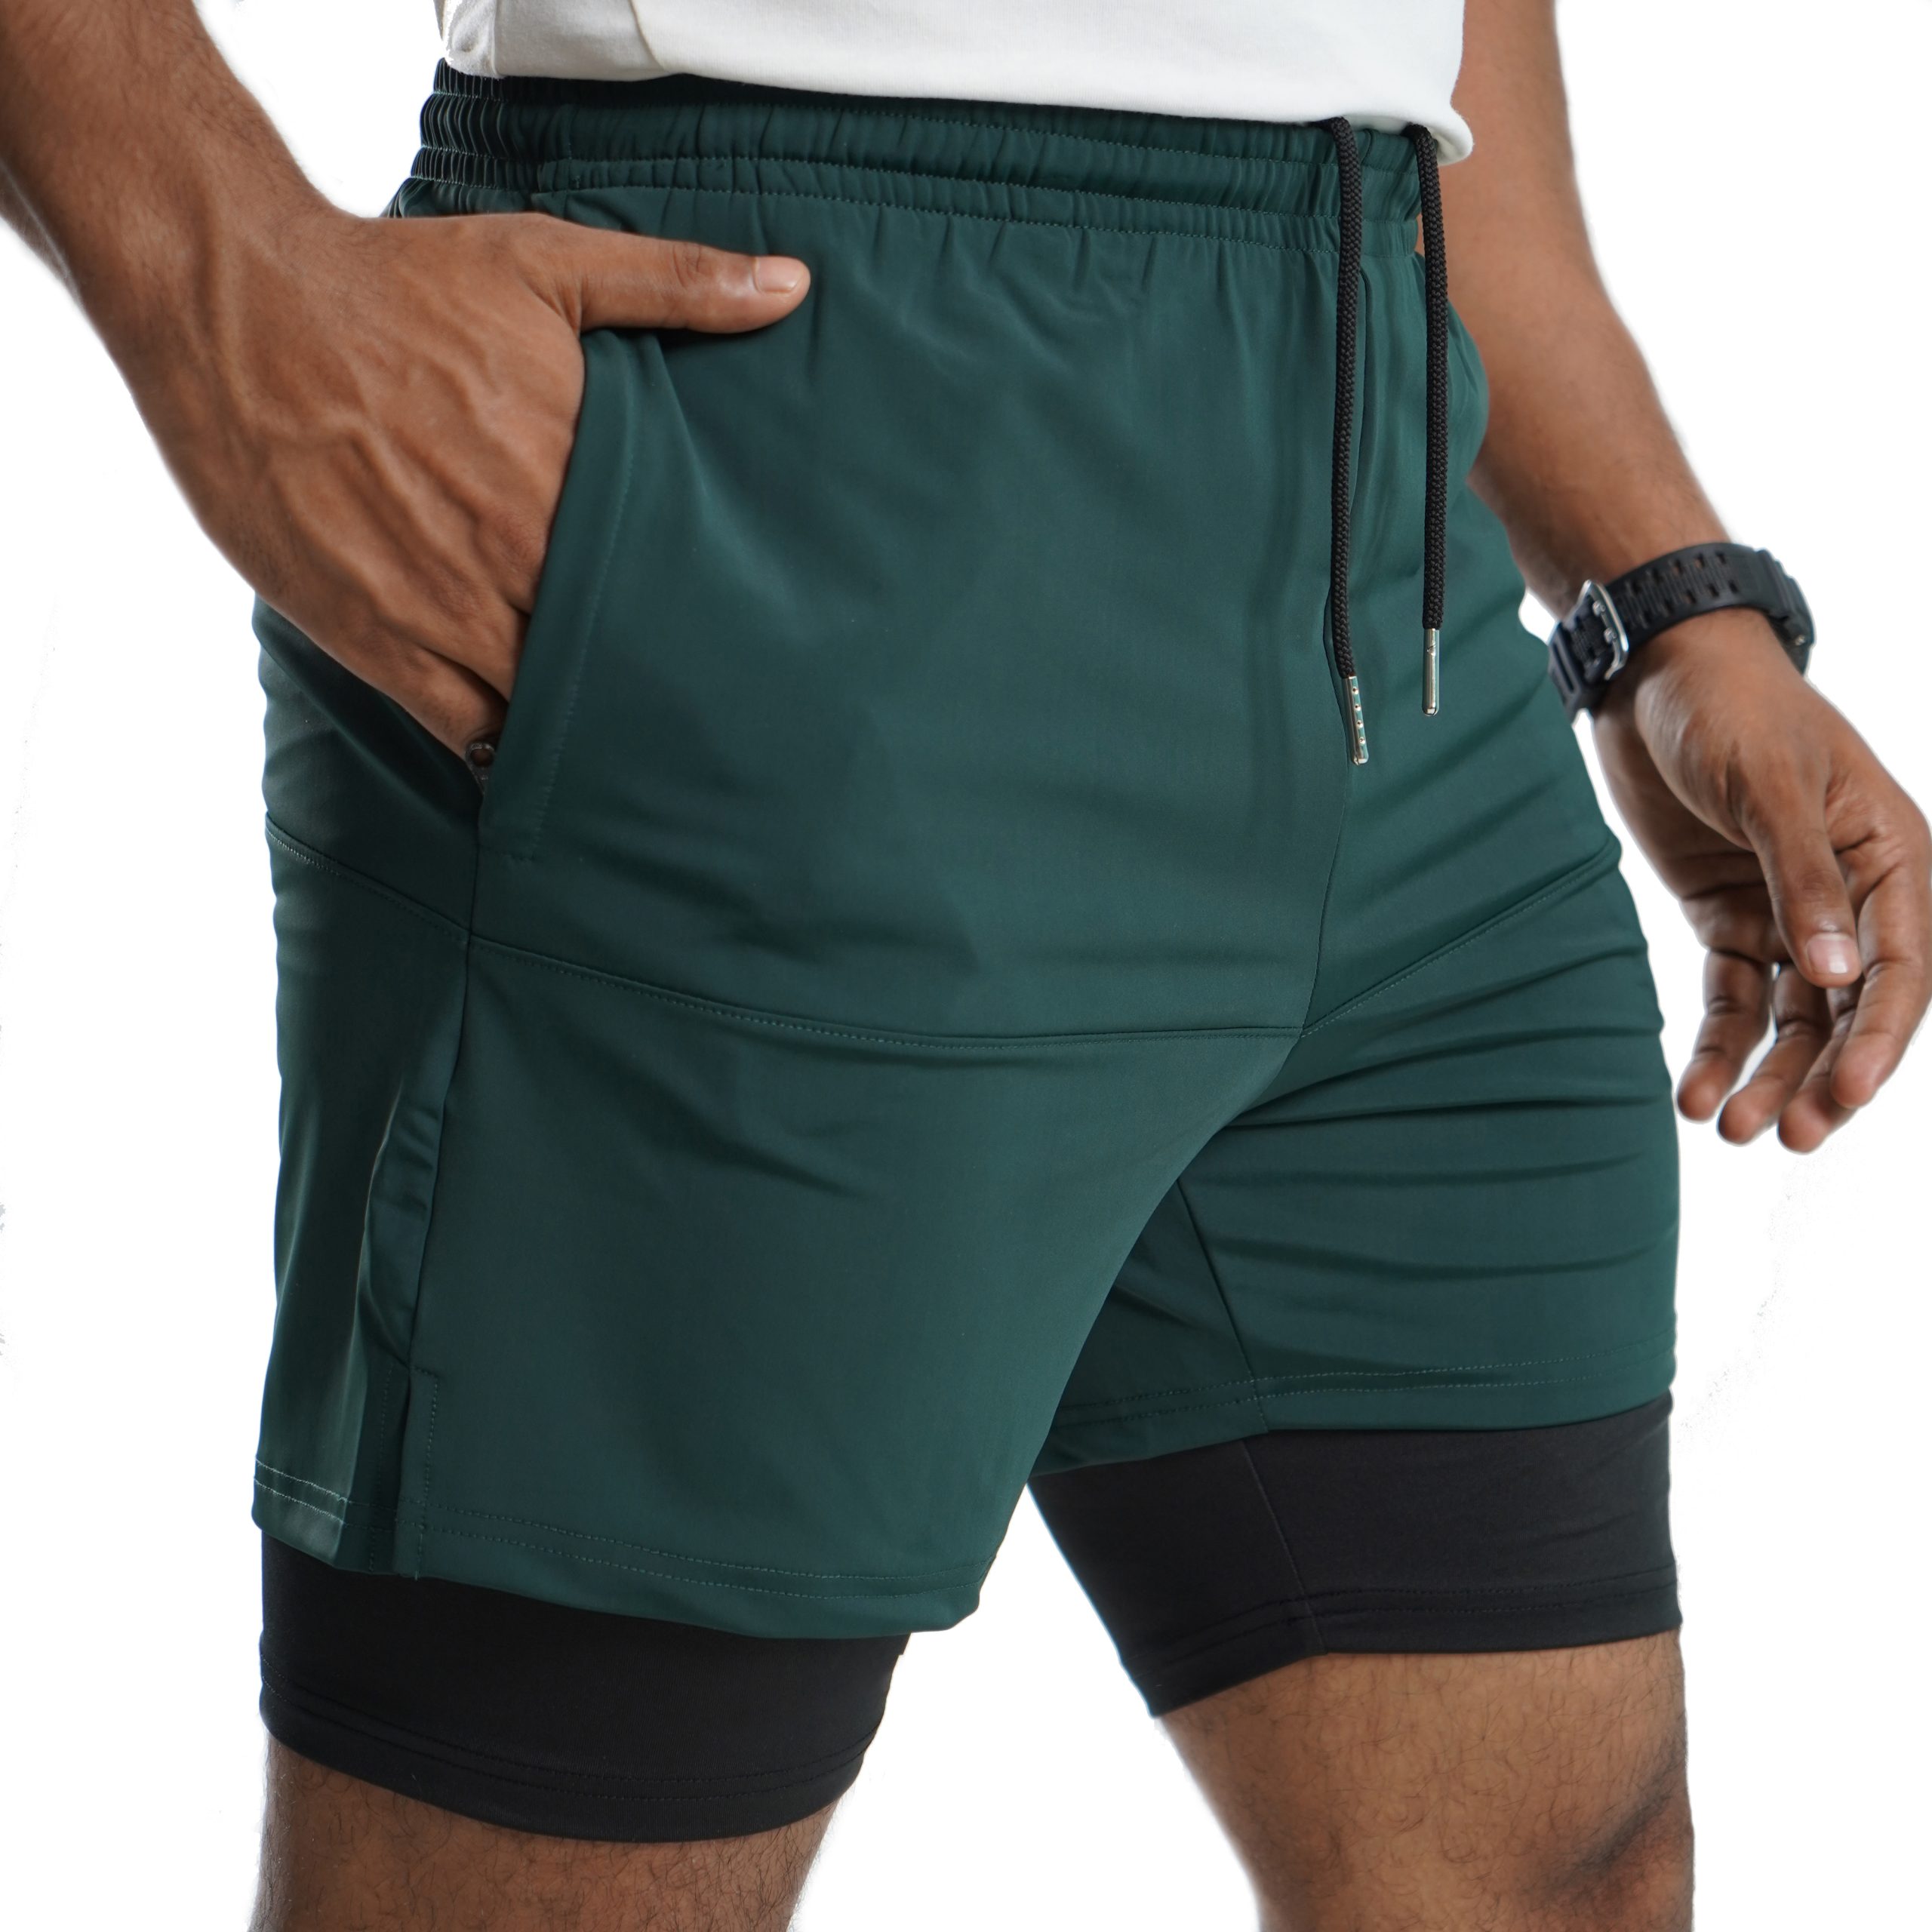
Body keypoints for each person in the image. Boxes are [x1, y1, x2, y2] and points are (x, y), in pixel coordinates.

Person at [2, 0, 1926, 1926]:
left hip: (1387, 586)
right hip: (775, 435)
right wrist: (222, 285)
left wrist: (1665, 599)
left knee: (1557, 1873)